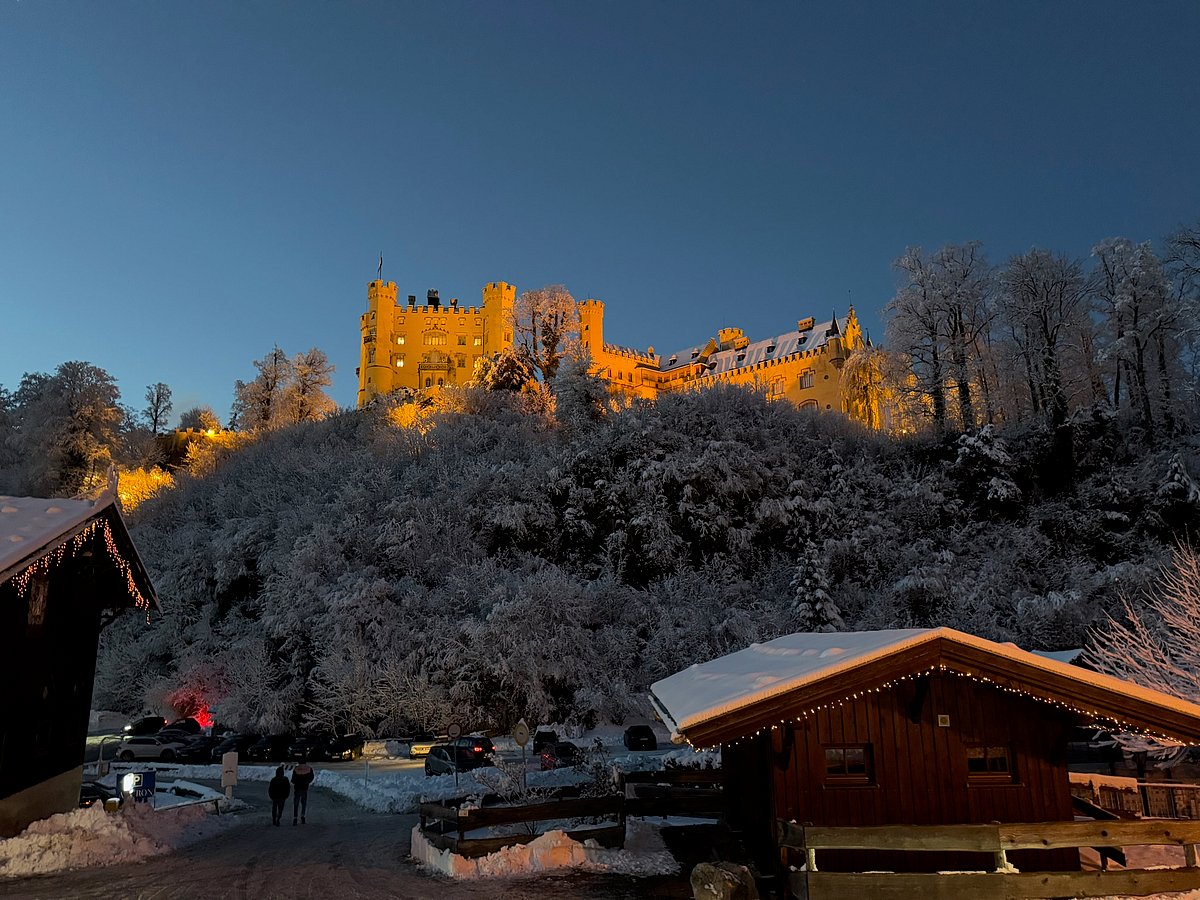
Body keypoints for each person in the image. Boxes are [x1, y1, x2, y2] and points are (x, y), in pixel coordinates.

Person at [292, 756, 314, 824]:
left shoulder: (296, 769)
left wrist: (295, 782)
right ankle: (303, 816)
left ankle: (295, 817)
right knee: (303, 803)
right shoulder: (309, 768)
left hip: (297, 788)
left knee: (296, 803)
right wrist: (307, 782)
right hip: (304, 787)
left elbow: (293, 779)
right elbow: (311, 777)